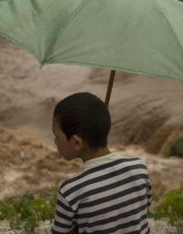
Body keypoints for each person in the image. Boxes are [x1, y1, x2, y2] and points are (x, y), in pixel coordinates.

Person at [51, 92, 152, 234]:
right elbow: (143, 207)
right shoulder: (139, 168)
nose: (55, 141)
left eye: (56, 136)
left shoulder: (71, 191)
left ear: (77, 142)